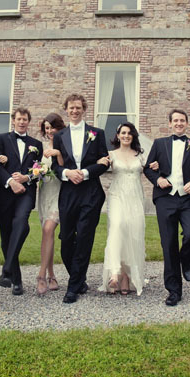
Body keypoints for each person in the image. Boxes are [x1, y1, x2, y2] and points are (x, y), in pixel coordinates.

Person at [144, 109, 190, 306]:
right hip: (166, 198)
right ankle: (173, 290)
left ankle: (185, 259)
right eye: (176, 121)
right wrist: (158, 179)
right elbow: (148, 168)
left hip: (188, 199)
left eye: (182, 120)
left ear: (187, 124)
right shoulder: (159, 143)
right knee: (168, 243)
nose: (179, 123)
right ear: (170, 123)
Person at [52, 94, 109, 304]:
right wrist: (67, 173)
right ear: (66, 109)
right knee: (66, 240)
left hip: (91, 192)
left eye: (78, 107)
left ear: (84, 109)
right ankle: (80, 278)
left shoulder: (97, 133)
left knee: (84, 237)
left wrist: (84, 173)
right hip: (68, 192)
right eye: (71, 108)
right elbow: (55, 166)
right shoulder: (59, 136)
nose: (74, 111)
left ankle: (73, 286)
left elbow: (104, 162)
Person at [0, 108, 44, 296]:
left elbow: (39, 171)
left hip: (26, 193)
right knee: (6, 235)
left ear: (28, 122)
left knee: (21, 223)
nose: (22, 122)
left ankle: (6, 269)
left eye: (25, 119)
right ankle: (16, 279)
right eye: (19, 119)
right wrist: (10, 182)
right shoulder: (1, 139)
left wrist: (26, 178)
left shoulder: (36, 144)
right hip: (5, 192)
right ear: (13, 120)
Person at [97, 122, 147, 296]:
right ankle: (114, 272)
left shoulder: (140, 155)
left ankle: (126, 276)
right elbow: (99, 169)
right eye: (123, 133)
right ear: (117, 135)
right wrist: (99, 162)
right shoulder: (110, 155)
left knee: (132, 233)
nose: (126, 135)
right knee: (117, 228)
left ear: (133, 136)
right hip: (117, 195)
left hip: (135, 197)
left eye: (129, 133)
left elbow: (152, 169)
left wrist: (154, 166)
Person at [35, 113, 65, 295]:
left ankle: (40, 276)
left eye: (53, 127)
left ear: (60, 128)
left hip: (60, 195)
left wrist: (58, 152)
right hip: (45, 193)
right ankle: (52, 275)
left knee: (48, 230)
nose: (50, 130)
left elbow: (64, 167)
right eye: (47, 127)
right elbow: (35, 169)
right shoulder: (42, 148)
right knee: (48, 235)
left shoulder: (65, 146)